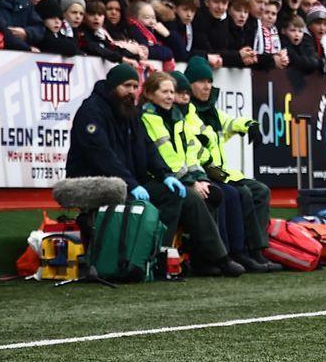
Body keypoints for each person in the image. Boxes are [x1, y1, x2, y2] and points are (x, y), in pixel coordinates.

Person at [68, 65, 243, 277]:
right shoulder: (92, 112)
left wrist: (165, 175)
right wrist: (131, 184)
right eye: (126, 86)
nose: (132, 91)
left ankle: (208, 258)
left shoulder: (127, 110)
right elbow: (102, 156)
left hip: (131, 180)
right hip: (96, 180)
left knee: (187, 196)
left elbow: (148, 148)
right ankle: (149, 257)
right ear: (113, 86)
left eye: (135, 86)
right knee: (174, 196)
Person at [182, 57, 278, 272]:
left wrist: (251, 125)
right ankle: (237, 252)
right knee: (240, 192)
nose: (207, 86)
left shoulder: (212, 112)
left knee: (260, 191)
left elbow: (232, 122)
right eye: (200, 81)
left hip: (218, 171)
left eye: (209, 81)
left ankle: (257, 249)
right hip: (206, 170)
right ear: (189, 85)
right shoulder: (189, 114)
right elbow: (196, 154)